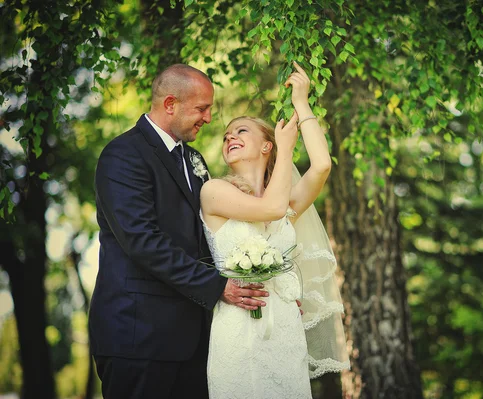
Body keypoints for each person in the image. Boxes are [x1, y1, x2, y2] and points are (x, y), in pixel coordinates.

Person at [89, 64, 269, 399]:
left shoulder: (194, 159)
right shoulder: (123, 155)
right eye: (202, 108)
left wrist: (270, 293)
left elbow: (209, 239)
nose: (209, 118)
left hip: (193, 339)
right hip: (139, 337)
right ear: (170, 104)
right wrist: (218, 287)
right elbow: (142, 242)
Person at [200, 61, 349, 399]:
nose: (229, 138)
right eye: (226, 136)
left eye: (240, 131)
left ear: (267, 146)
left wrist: (301, 101)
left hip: (284, 328)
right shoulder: (215, 192)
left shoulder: (285, 207)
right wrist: (286, 152)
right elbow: (271, 208)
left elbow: (322, 165)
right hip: (237, 329)